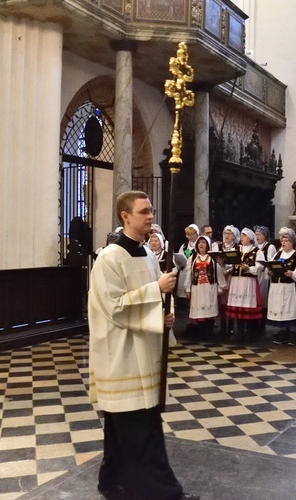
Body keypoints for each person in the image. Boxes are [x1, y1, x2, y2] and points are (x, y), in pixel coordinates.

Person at [87, 190, 198, 500]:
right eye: (144, 211)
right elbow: (112, 306)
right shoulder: (109, 258)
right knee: (141, 430)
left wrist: (166, 312)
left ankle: (111, 481)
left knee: (122, 425)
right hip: (121, 354)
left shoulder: (148, 254)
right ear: (125, 217)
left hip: (144, 350)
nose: (151, 216)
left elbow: (159, 295)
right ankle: (165, 493)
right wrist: (156, 289)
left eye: (151, 210)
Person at [225, 228, 265, 342]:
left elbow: (259, 268)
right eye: (241, 236)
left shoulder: (257, 251)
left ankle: (250, 332)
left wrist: (248, 268)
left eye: (244, 236)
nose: (242, 238)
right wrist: (223, 264)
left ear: (250, 238)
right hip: (236, 282)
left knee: (248, 306)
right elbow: (230, 265)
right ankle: (240, 331)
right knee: (238, 307)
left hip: (248, 283)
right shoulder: (235, 249)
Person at [268, 228, 296, 345]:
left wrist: (292, 273)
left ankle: (292, 334)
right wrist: (269, 272)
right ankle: (282, 332)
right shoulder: (277, 254)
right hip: (277, 286)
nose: (283, 243)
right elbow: (270, 265)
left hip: (289, 286)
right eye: (282, 240)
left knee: (289, 309)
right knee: (279, 308)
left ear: (292, 242)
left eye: (287, 241)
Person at [183, 235, 226, 339]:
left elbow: (219, 273)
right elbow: (189, 274)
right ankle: (200, 332)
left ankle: (208, 332)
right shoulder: (192, 258)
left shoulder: (212, 258)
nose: (201, 244)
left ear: (208, 245)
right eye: (199, 243)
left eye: (203, 242)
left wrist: (220, 287)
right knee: (198, 311)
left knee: (209, 310)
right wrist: (188, 288)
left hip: (209, 288)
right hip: (197, 288)